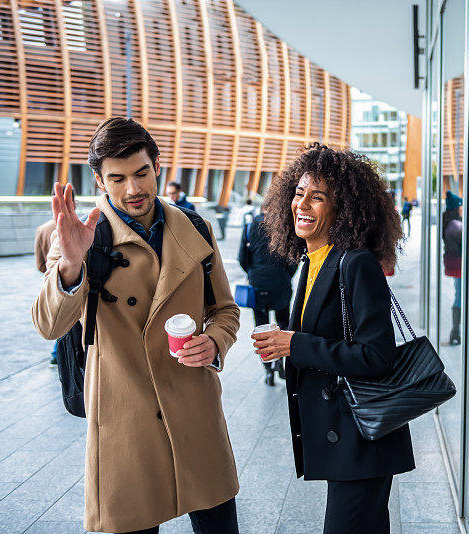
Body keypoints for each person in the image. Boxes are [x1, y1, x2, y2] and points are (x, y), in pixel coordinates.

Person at [31, 118, 241, 534]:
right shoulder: (80, 237)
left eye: (141, 173)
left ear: (157, 165)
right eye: (118, 178)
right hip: (124, 418)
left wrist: (215, 342)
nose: (133, 189)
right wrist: (72, 264)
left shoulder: (196, 228)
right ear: (98, 180)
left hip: (194, 407)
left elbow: (225, 310)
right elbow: (49, 325)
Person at [250, 143, 414, 534]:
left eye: (317, 197)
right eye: (298, 192)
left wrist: (294, 344)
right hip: (348, 441)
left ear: (342, 209)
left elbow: (377, 356)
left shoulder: (354, 262)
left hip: (363, 441)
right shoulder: (313, 261)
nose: (302, 204)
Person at [238, 208, 297, 386]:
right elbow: (293, 259)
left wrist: (253, 272)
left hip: (258, 283)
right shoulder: (286, 226)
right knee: (283, 323)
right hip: (280, 282)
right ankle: (280, 361)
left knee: (262, 328)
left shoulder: (250, 226)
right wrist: (286, 275)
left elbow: (242, 257)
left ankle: (268, 370)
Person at [35, 216, 58, 364]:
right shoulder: (83, 224)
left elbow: (39, 264)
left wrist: (50, 272)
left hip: (49, 281)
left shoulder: (42, 229)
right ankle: (57, 353)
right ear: (74, 202)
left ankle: (56, 354)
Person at [443, 190, 463, 345]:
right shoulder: (455, 225)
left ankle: (456, 330)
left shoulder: (451, 222)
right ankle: (455, 330)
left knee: (458, 293)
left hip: (455, 261)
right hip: (458, 263)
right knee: (459, 295)